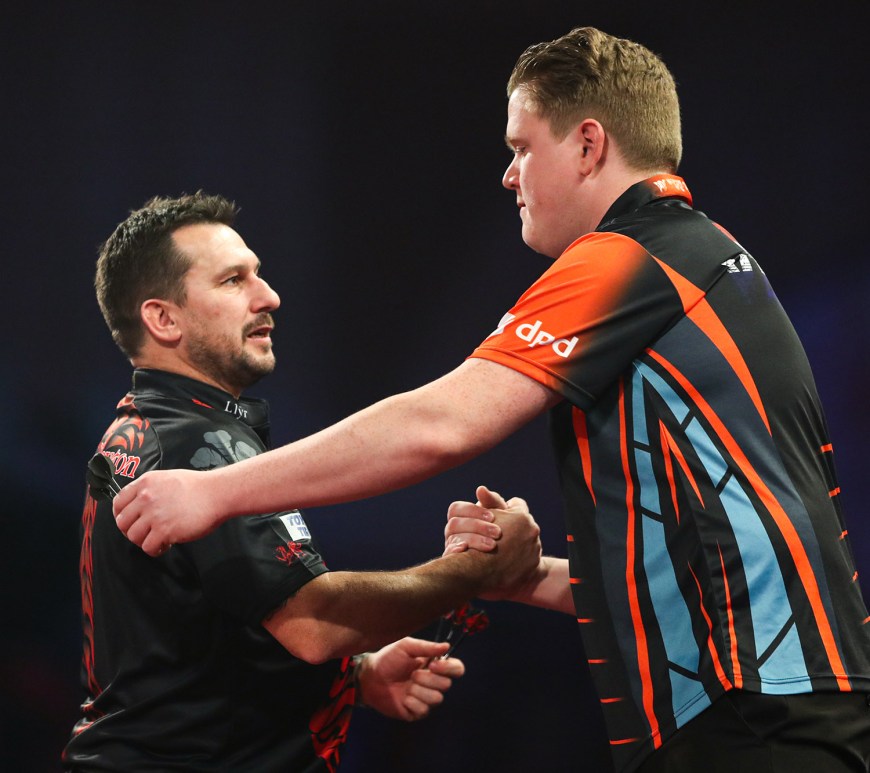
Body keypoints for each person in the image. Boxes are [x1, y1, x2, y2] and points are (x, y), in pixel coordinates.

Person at [111, 28, 870, 773]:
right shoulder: (707, 260)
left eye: (522, 147)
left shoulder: (629, 258)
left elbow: (442, 424)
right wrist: (525, 576)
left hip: (757, 718)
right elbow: (701, 565)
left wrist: (213, 492)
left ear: (588, 145)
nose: (509, 175)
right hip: (778, 706)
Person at [63, 192, 542, 772]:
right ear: (163, 319)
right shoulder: (200, 446)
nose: (269, 296)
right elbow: (314, 626)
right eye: (233, 280)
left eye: (257, 273)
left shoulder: (143, 429)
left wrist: (355, 677)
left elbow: (195, 632)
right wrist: (479, 570)